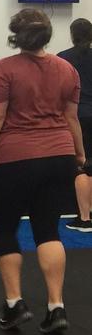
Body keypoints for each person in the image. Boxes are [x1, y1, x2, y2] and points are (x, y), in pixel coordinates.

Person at [0, 8, 85, 335]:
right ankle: (56, 307)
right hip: (59, 156)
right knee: (48, 230)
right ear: (47, 35)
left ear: (15, 36)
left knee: (6, 230)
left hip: (16, 159)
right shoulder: (67, 70)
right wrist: (79, 155)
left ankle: (14, 303)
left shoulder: (4, 69)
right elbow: (71, 118)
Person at [58, 18, 92, 232]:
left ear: (72, 35)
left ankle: (85, 218)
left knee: (81, 164)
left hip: (76, 116)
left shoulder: (62, 59)